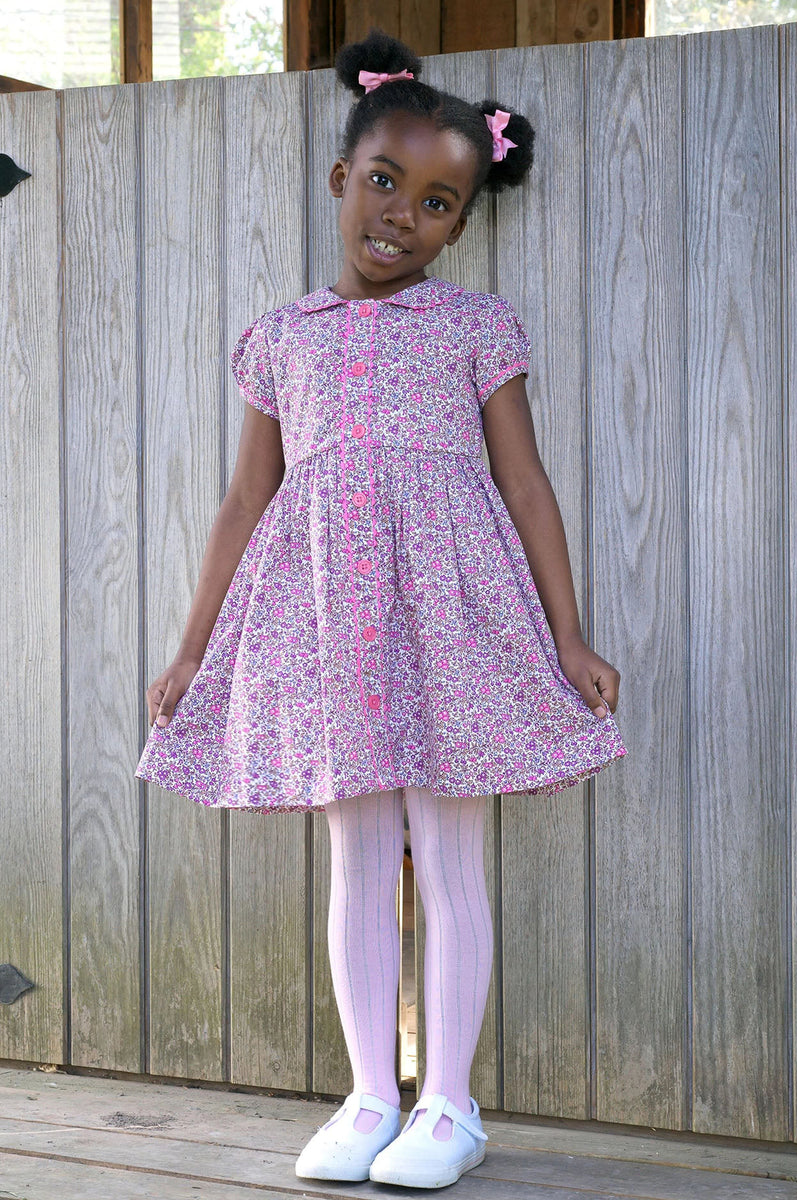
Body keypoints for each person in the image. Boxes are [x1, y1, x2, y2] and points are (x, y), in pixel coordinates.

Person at [135, 27, 627, 1190]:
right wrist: (193, 650)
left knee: (447, 856)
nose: (402, 213)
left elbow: (523, 483)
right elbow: (247, 498)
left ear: (461, 220)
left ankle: (447, 1105)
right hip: (322, 627)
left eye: (439, 200)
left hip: (452, 619)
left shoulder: (473, 328)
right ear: (340, 179)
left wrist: (565, 633)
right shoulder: (276, 340)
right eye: (384, 182)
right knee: (357, 857)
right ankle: (368, 1097)